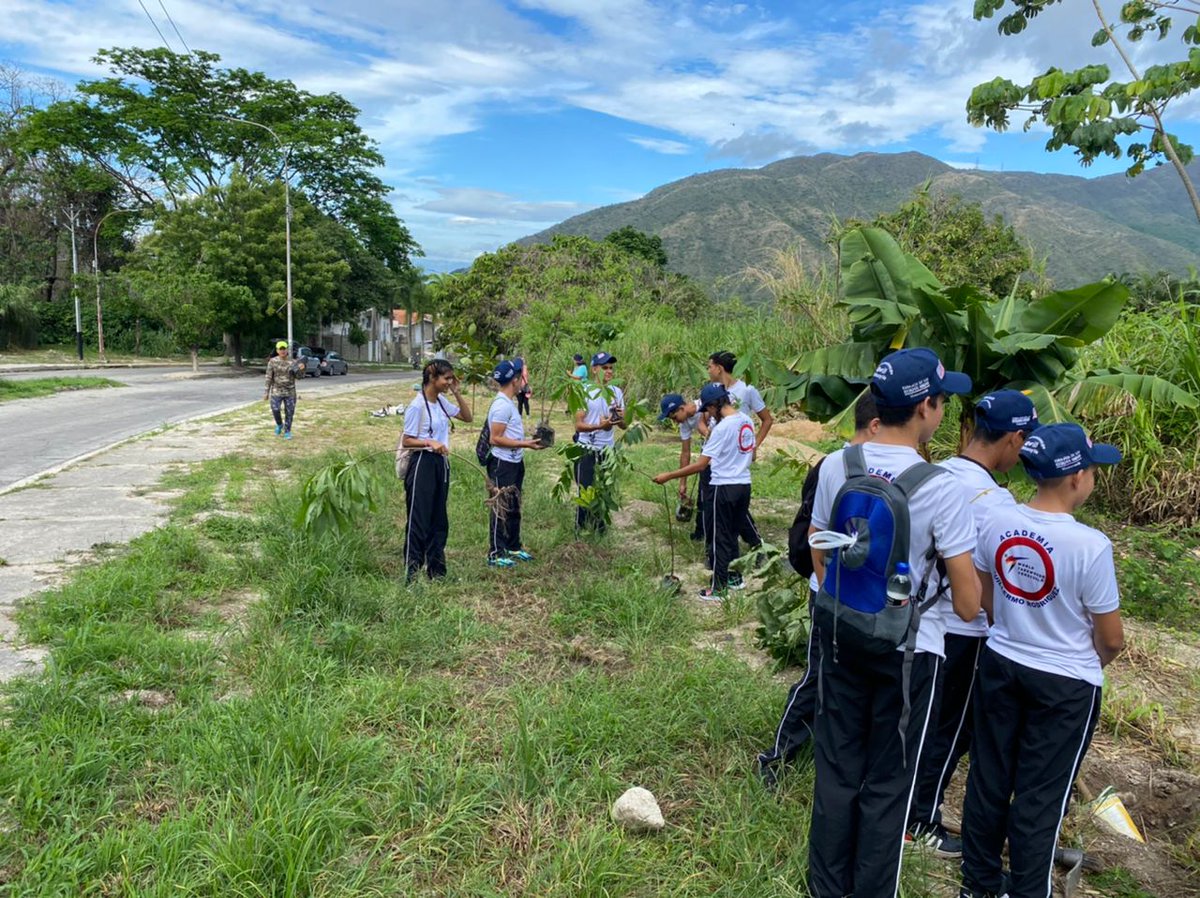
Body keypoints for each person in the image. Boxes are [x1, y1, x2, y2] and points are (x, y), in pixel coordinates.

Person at [806, 347, 980, 898]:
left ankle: (825, 888)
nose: (944, 409)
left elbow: (819, 548)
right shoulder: (944, 487)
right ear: (925, 408)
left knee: (836, 769)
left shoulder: (840, 463)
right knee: (888, 782)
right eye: (942, 399)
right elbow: (970, 605)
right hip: (910, 653)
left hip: (840, 634)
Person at [960, 423, 1124, 898]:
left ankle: (980, 884)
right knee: (1040, 796)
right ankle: (1031, 890)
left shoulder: (999, 520)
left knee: (988, 778)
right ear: (1076, 478)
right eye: (1094, 469)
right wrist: (1077, 656)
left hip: (1001, 663)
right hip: (1065, 684)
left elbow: (986, 593)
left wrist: (1017, 627)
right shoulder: (1090, 546)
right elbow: (1110, 638)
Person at [907, 390, 1037, 856]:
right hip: (964, 632)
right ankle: (921, 821)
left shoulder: (932, 473)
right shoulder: (996, 504)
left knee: (917, 725)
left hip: (916, 625)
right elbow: (994, 585)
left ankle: (906, 810)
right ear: (1013, 439)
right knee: (948, 731)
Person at [755, 391, 879, 789]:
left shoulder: (865, 465)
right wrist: (828, 592)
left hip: (854, 594)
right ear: (877, 425)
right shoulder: (835, 466)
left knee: (840, 679)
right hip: (832, 590)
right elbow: (815, 535)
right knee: (820, 675)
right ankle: (777, 758)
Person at [653, 382, 756, 600]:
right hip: (744, 485)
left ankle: (718, 589)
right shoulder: (747, 422)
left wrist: (669, 476)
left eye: (708, 410)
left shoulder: (721, 428)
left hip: (723, 486)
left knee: (719, 536)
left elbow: (701, 465)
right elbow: (752, 455)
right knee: (732, 533)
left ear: (714, 405)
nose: (707, 414)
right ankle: (735, 578)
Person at [401, 359, 473, 581]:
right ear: (432, 378)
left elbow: (467, 418)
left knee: (439, 518)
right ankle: (411, 571)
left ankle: (437, 570)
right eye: (446, 378)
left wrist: (457, 392)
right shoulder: (417, 406)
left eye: (451, 378)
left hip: (441, 464)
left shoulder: (441, 402)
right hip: (423, 462)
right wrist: (429, 442)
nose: (449, 382)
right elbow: (407, 441)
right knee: (419, 518)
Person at [486, 359, 545, 567]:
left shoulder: (509, 403)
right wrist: (525, 444)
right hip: (503, 463)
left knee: (513, 505)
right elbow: (495, 438)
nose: (523, 381)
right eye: (521, 377)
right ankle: (496, 552)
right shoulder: (502, 405)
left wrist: (525, 438)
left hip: (515, 461)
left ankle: (513, 546)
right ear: (515, 380)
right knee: (500, 506)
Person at [573, 351, 628, 533]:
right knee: (586, 489)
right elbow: (579, 425)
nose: (609, 371)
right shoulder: (585, 391)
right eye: (605, 368)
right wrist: (599, 425)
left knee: (603, 489)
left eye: (611, 368)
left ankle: (599, 527)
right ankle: (581, 527)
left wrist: (618, 418)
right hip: (586, 448)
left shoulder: (616, 392)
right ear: (595, 369)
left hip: (607, 449)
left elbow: (624, 424)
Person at [658, 391, 713, 560]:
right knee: (702, 497)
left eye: (673, 417)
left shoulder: (707, 405)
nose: (674, 421)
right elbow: (685, 453)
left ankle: (712, 538)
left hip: (721, 461)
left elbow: (715, 433)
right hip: (707, 459)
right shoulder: (685, 424)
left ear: (681, 408)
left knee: (712, 499)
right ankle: (700, 531)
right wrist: (683, 483)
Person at [264, 340, 305, 439]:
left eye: (284, 348)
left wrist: (302, 369)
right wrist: (266, 392)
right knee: (275, 409)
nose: (282, 351)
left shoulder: (293, 362)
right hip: (276, 391)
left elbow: (299, 377)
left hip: (290, 391)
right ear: (277, 350)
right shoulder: (272, 362)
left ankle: (287, 431)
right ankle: (279, 424)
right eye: (280, 349)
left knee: (289, 412)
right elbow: (268, 377)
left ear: (287, 350)